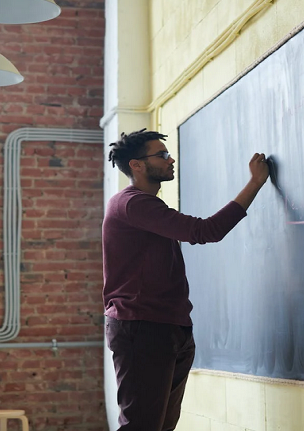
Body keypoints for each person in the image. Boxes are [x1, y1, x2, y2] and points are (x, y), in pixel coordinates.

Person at [102, 129, 269, 430]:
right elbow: (205, 231)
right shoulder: (133, 204)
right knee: (141, 426)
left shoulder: (147, 207)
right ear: (137, 165)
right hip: (143, 326)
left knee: (162, 425)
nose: (171, 159)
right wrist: (255, 183)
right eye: (162, 155)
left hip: (168, 326)